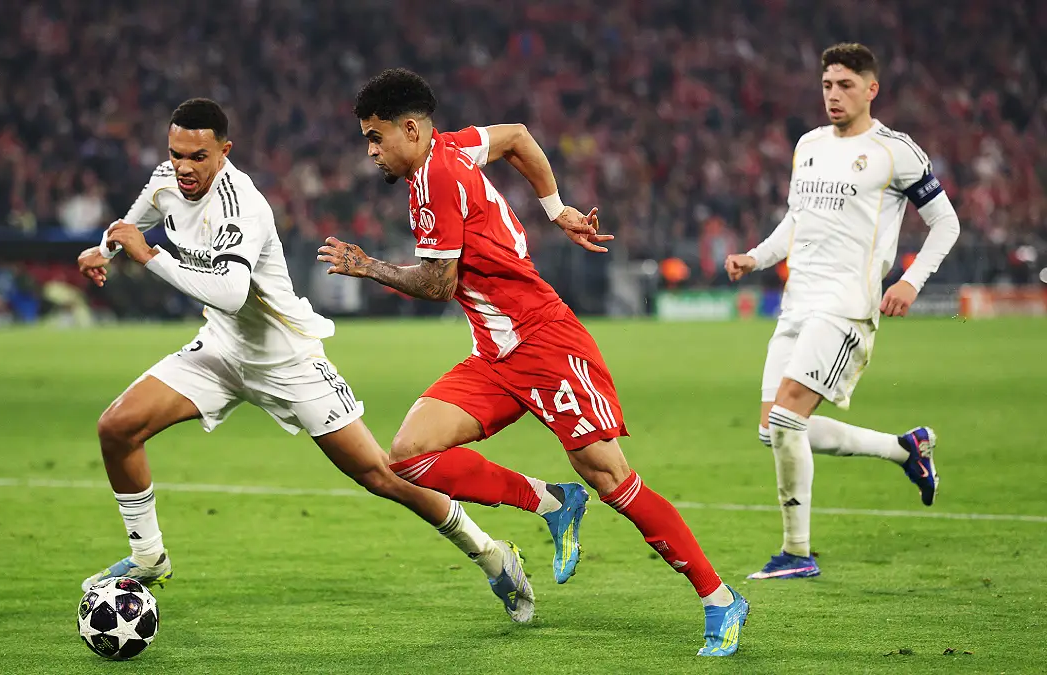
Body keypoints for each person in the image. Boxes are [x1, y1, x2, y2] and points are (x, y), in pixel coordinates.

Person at [76, 98, 560, 624]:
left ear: (224, 151)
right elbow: (137, 216)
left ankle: (492, 555)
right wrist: (108, 249)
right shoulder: (167, 177)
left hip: (288, 359)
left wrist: (150, 256)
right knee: (117, 427)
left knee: (382, 475)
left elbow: (233, 292)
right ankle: (148, 556)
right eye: (176, 155)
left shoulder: (244, 206)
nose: (184, 167)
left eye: (197, 156)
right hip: (221, 349)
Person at [318, 68, 749, 657]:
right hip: (495, 353)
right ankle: (551, 501)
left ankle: (720, 597)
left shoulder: (435, 178)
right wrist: (556, 207)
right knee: (410, 456)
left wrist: (368, 267)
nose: (370, 152)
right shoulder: (454, 146)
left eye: (375, 137)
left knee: (613, 480)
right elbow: (518, 136)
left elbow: (439, 283)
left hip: (545, 346)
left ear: (411, 130)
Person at [724, 43, 959, 580]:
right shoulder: (808, 144)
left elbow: (947, 223)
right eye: (828, 84)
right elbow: (796, 220)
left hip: (846, 305)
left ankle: (797, 553)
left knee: (786, 418)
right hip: (796, 303)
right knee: (773, 430)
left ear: (871, 89)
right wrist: (755, 258)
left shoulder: (896, 151)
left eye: (846, 85)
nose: (834, 95)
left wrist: (910, 280)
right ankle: (906, 449)